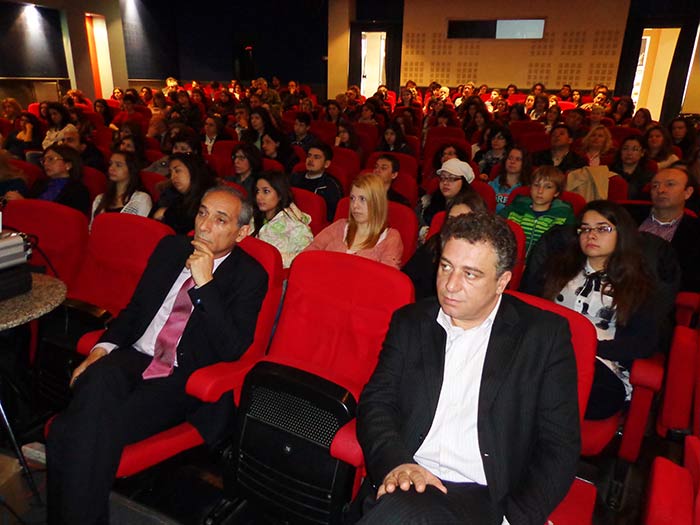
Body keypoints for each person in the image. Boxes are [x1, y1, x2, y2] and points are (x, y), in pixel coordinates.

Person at [46, 185, 268, 525]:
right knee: (98, 379)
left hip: (182, 377)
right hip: (135, 356)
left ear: (242, 232)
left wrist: (205, 283)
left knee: (70, 432)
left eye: (220, 219)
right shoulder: (171, 248)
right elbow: (135, 310)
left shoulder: (250, 275)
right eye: (202, 213)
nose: (204, 225)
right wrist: (99, 352)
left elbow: (231, 348)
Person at [355, 211, 579, 525]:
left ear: (502, 282)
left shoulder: (543, 336)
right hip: (410, 474)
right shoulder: (411, 321)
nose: (450, 285)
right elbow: (377, 402)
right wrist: (396, 464)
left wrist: (514, 519)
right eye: (446, 266)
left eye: (470, 274)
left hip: (485, 494)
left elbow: (559, 446)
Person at [534, 201, 659, 419]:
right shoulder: (557, 268)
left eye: (603, 229)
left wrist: (588, 348)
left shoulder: (637, 283)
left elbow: (643, 341)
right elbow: (533, 311)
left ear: (621, 234)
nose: (591, 235)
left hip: (600, 363)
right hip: (549, 353)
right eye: (585, 229)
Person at [402, 190, 488, 300]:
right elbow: (406, 277)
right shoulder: (435, 243)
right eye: (451, 220)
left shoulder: (486, 255)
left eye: (463, 221)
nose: (454, 226)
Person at [304, 172, 402, 269]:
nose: (355, 205)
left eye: (362, 199)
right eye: (352, 198)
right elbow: (309, 253)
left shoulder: (390, 238)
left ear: (377, 203)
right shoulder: (339, 226)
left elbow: (386, 275)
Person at [636, 166, 700, 292]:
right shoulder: (628, 217)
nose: (660, 190)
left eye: (670, 184)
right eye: (655, 186)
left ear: (687, 192)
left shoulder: (695, 231)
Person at [499, 165, 575, 255]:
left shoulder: (564, 216)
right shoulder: (514, 208)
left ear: (556, 192)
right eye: (536, 185)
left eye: (548, 187)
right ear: (530, 187)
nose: (540, 191)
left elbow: (568, 249)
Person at [250, 171, 313, 268]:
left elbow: (305, 257)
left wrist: (271, 258)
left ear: (280, 194)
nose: (259, 197)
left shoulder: (294, 225)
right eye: (257, 191)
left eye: (266, 191)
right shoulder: (255, 216)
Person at [5, 145, 90, 216]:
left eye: (51, 159)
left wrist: (23, 203)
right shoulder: (40, 183)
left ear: (68, 165)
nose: (45, 163)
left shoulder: (78, 191)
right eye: (44, 160)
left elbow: (65, 218)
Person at [152, 153, 217, 234]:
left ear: (193, 170)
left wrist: (166, 213)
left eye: (177, 171)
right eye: (171, 173)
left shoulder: (210, 198)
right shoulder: (172, 195)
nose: (172, 177)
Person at [91, 151, 153, 224]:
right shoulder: (99, 199)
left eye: (118, 165)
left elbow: (141, 228)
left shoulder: (141, 199)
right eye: (110, 164)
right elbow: (92, 227)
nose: (111, 168)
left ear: (131, 169)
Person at [291, 143, 343, 222]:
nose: (310, 160)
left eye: (316, 157)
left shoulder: (331, 186)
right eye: (309, 156)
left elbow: (333, 216)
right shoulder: (294, 177)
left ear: (326, 164)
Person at [421, 158, 476, 227]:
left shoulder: (470, 206)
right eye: (442, 178)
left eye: (451, 178)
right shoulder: (435, 199)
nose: (445, 182)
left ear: (464, 182)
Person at [489, 147, 532, 213]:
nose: (512, 162)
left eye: (518, 159)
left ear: (524, 163)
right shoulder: (491, 185)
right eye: (510, 158)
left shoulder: (527, 190)